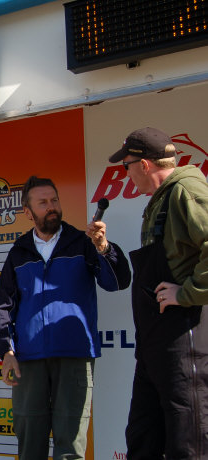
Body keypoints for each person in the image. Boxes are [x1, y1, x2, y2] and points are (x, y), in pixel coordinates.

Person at [0, 176, 131, 459]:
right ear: (28, 212)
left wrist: (104, 247)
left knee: (70, 449)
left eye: (54, 200)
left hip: (75, 357)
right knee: (30, 447)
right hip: (29, 361)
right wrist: (6, 351)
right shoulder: (18, 251)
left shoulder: (83, 243)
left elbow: (118, 282)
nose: (51, 207)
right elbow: (4, 306)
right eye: (43, 203)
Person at [108, 127, 208, 459]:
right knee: (143, 438)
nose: (126, 174)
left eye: (126, 166)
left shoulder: (186, 191)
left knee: (187, 443)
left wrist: (188, 293)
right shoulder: (161, 199)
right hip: (154, 345)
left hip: (182, 339)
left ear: (144, 164)